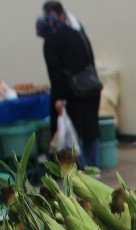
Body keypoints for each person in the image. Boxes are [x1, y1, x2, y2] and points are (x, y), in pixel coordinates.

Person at [36, 9, 100, 168]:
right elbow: (90, 58)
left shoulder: (50, 42)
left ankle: (83, 170)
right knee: (91, 130)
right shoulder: (76, 33)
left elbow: (55, 71)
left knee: (73, 133)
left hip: (73, 93)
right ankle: (94, 167)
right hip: (91, 88)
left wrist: (58, 98)